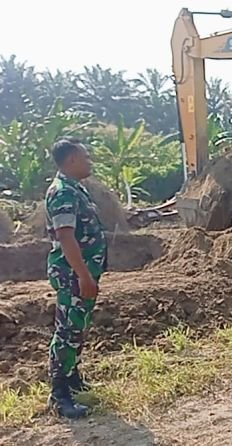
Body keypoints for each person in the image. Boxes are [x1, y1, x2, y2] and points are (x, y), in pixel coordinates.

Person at [44, 138, 108, 419]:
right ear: (71, 160)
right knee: (68, 330)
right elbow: (66, 237)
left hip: (81, 273)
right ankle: (59, 395)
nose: (89, 161)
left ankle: (72, 378)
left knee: (77, 327)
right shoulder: (63, 193)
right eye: (85, 157)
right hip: (72, 274)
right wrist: (83, 275)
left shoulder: (75, 188)